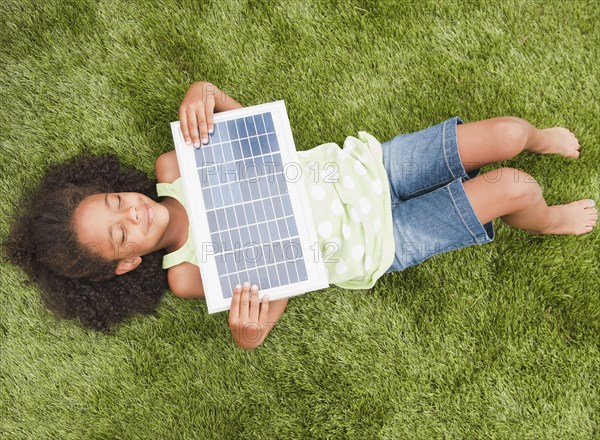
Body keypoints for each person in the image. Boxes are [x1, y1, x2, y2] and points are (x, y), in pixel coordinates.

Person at [5, 81, 597, 349]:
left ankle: (538, 137)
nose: (131, 213)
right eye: (120, 233)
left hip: (370, 168)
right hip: (381, 242)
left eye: (114, 202)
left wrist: (205, 92)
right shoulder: (187, 274)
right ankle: (548, 219)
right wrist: (253, 333)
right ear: (127, 262)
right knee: (516, 188)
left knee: (512, 134)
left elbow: (250, 126)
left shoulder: (173, 164)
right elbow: (284, 276)